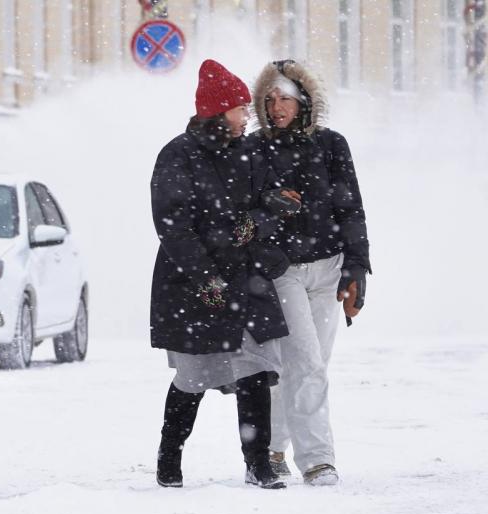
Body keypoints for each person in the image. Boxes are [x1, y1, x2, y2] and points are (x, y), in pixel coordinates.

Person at [150, 59, 298, 490]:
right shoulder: (177, 155)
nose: (247, 115)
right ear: (219, 111)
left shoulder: (249, 152)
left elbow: (268, 203)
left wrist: (258, 222)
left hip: (246, 278)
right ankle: (169, 459)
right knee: (193, 376)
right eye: (239, 108)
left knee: (254, 370)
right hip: (193, 282)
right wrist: (205, 277)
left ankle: (258, 464)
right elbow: (173, 227)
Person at [248, 60, 371, 486]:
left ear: (303, 101)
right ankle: (318, 461)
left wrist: (356, 268)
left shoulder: (332, 145)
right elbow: (241, 212)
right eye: (269, 99)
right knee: (306, 363)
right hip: (283, 270)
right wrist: (268, 205)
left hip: (328, 267)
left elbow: (351, 209)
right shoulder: (253, 149)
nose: (276, 107)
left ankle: (271, 447)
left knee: (309, 363)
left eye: (284, 98)